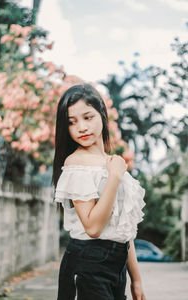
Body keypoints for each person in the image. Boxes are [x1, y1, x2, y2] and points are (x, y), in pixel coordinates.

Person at [53, 84, 146, 300]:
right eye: (71, 122)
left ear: (102, 115)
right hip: (87, 265)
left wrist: (137, 280)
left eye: (88, 117)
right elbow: (93, 227)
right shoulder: (76, 163)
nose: (81, 127)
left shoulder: (112, 163)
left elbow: (123, 230)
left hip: (117, 267)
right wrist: (114, 177)